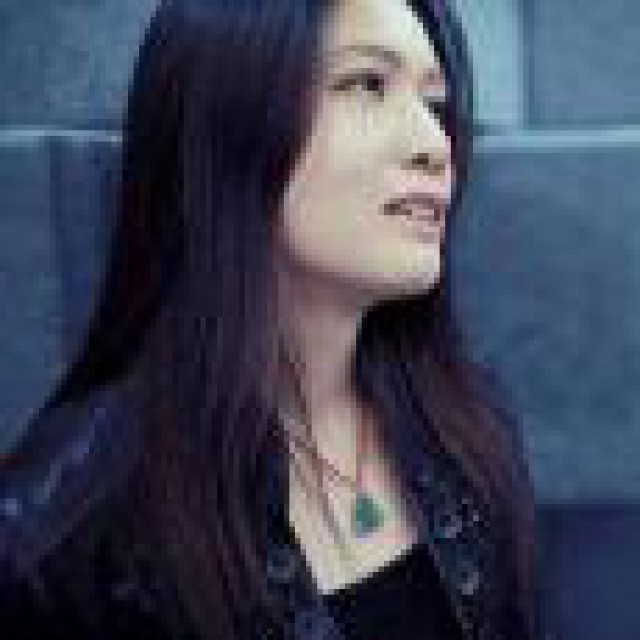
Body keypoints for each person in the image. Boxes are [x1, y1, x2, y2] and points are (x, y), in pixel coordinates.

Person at [0, 0, 550, 638]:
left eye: (435, 103)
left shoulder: (469, 425)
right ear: (230, 120)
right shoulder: (67, 533)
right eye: (367, 84)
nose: (435, 145)